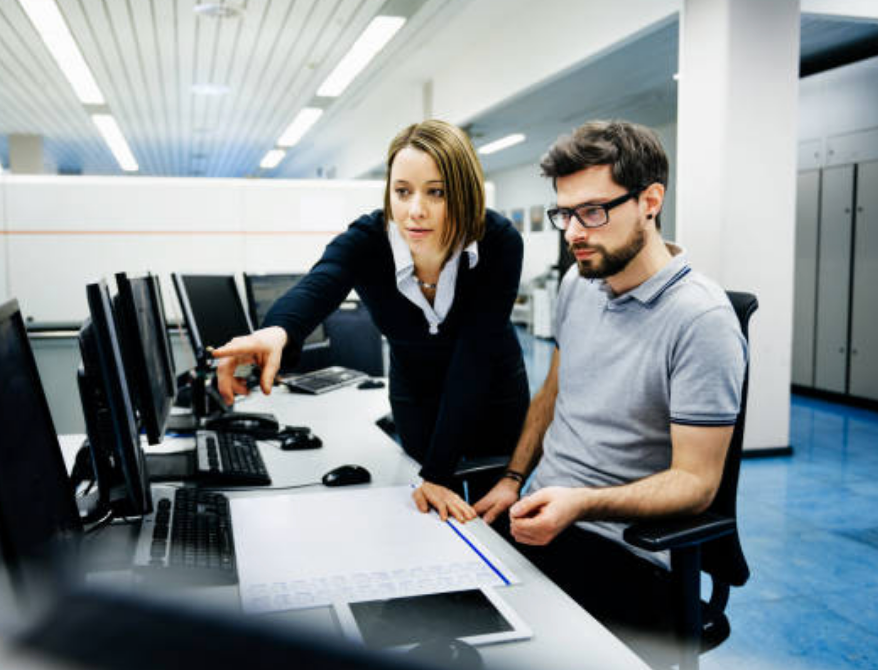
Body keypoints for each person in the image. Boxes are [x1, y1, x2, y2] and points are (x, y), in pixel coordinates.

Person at [472, 120, 747, 651]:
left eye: (593, 212)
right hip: (543, 518)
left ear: (650, 200)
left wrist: (581, 503)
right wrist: (511, 479)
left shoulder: (701, 320)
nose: (574, 232)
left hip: (629, 552)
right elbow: (553, 394)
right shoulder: (581, 282)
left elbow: (697, 483)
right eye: (564, 214)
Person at [213, 119, 529, 523]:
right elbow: (320, 283)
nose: (414, 210)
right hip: (415, 392)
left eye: (437, 192)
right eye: (402, 191)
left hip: (489, 391)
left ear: (465, 193)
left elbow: (474, 358)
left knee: (490, 515)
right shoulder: (368, 239)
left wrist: (439, 472)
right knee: (427, 511)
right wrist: (277, 331)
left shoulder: (499, 242)